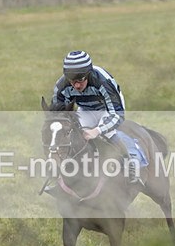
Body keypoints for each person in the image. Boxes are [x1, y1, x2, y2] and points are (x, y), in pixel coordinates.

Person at [51, 50, 143, 185]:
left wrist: (97, 130)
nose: (76, 86)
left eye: (80, 80)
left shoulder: (103, 82)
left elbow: (117, 114)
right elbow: (58, 116)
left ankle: (129, 164)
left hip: (108, 109)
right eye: (72, 81)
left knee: (109, 132)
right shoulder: (61, 87)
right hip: (85, 109)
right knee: (71, 133)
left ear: (88, 75)